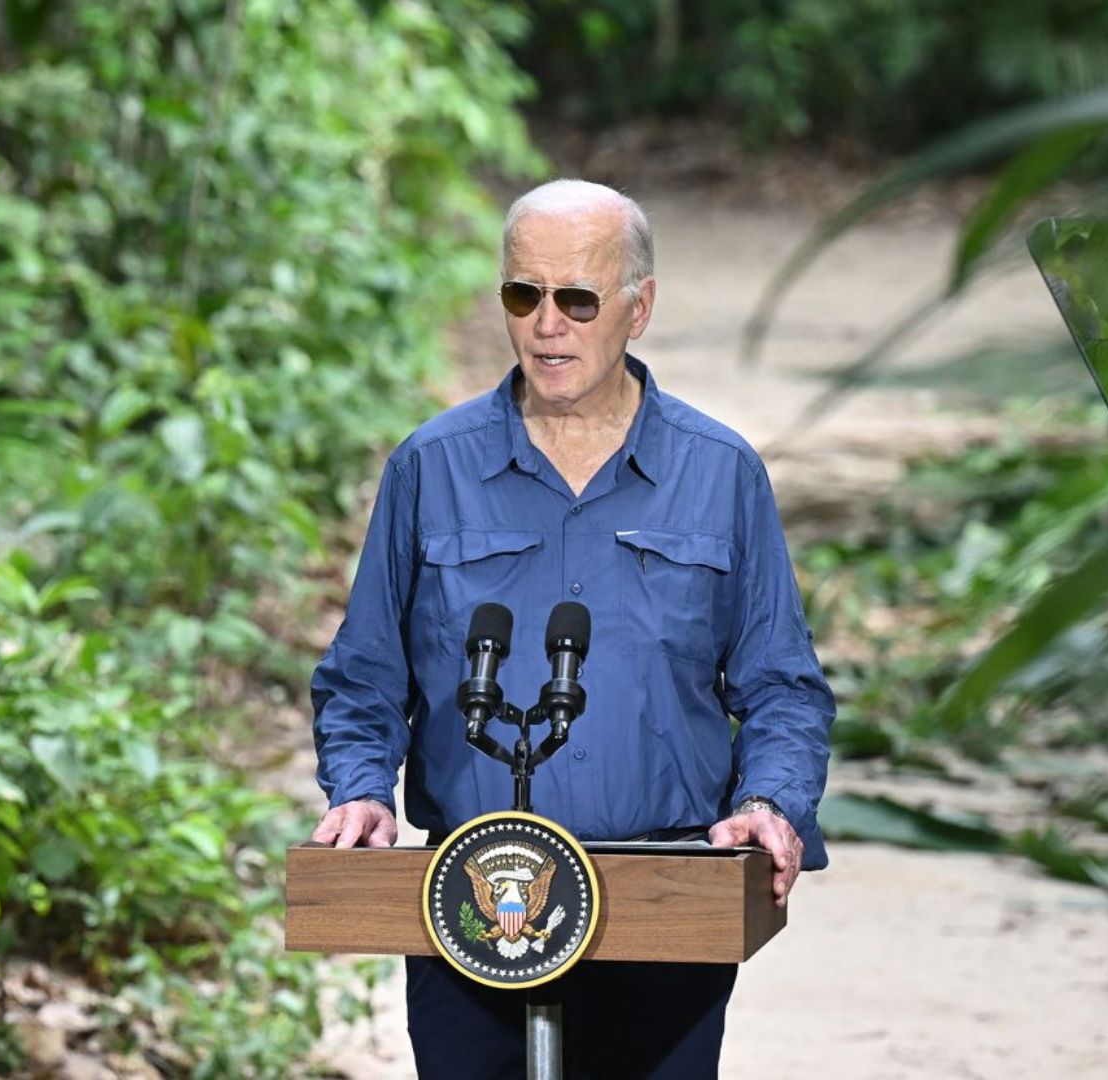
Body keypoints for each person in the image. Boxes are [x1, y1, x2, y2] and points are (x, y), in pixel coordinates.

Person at [309, 179, 834, 1078]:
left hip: (665, 901)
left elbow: (782, 686)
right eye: (524, 295)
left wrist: (769, 804)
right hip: (472, 900)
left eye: (578, 299)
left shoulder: (719, 473)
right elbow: (365, 677)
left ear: (639, 308)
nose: (547, 325)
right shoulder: (431, 468)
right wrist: (360, 791)